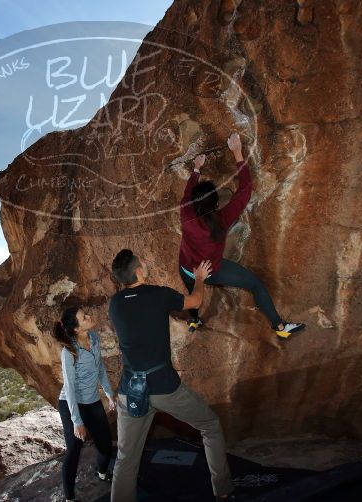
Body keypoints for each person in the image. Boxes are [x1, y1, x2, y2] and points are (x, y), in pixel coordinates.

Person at [108, 250, 233, 502]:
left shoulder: (115, 303)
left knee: (126, 458)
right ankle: (223, 492)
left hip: (130, 390)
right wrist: (198, 277)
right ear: (139, 271)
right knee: (210, 426)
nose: (146, 261)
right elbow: (195, 301)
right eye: (143, 261)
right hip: (164, 387)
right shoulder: (158, 294)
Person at [178, 132, 305, 339]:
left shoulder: (185, 212)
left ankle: (194, 318)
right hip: (211, 271)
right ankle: (280, 328)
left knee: (192, 287)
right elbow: (244, 191)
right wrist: (237, 152)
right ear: (216, 204)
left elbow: (188, 192)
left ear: (193, 202)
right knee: (256, 285)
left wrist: (196, 169)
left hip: (186, 267)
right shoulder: (222, 218)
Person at [53, 307, 116, 502]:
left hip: (92, 401)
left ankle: (103, 473)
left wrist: (109, 393)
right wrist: (76, 420)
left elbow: (100, 368)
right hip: (71, 403)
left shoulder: (94, 339)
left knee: (105, 445)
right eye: (84, 317)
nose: (89, 317)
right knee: (74, 449)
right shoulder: (69, 352)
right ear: (76, 329)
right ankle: (69, 497)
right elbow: (70, 388)